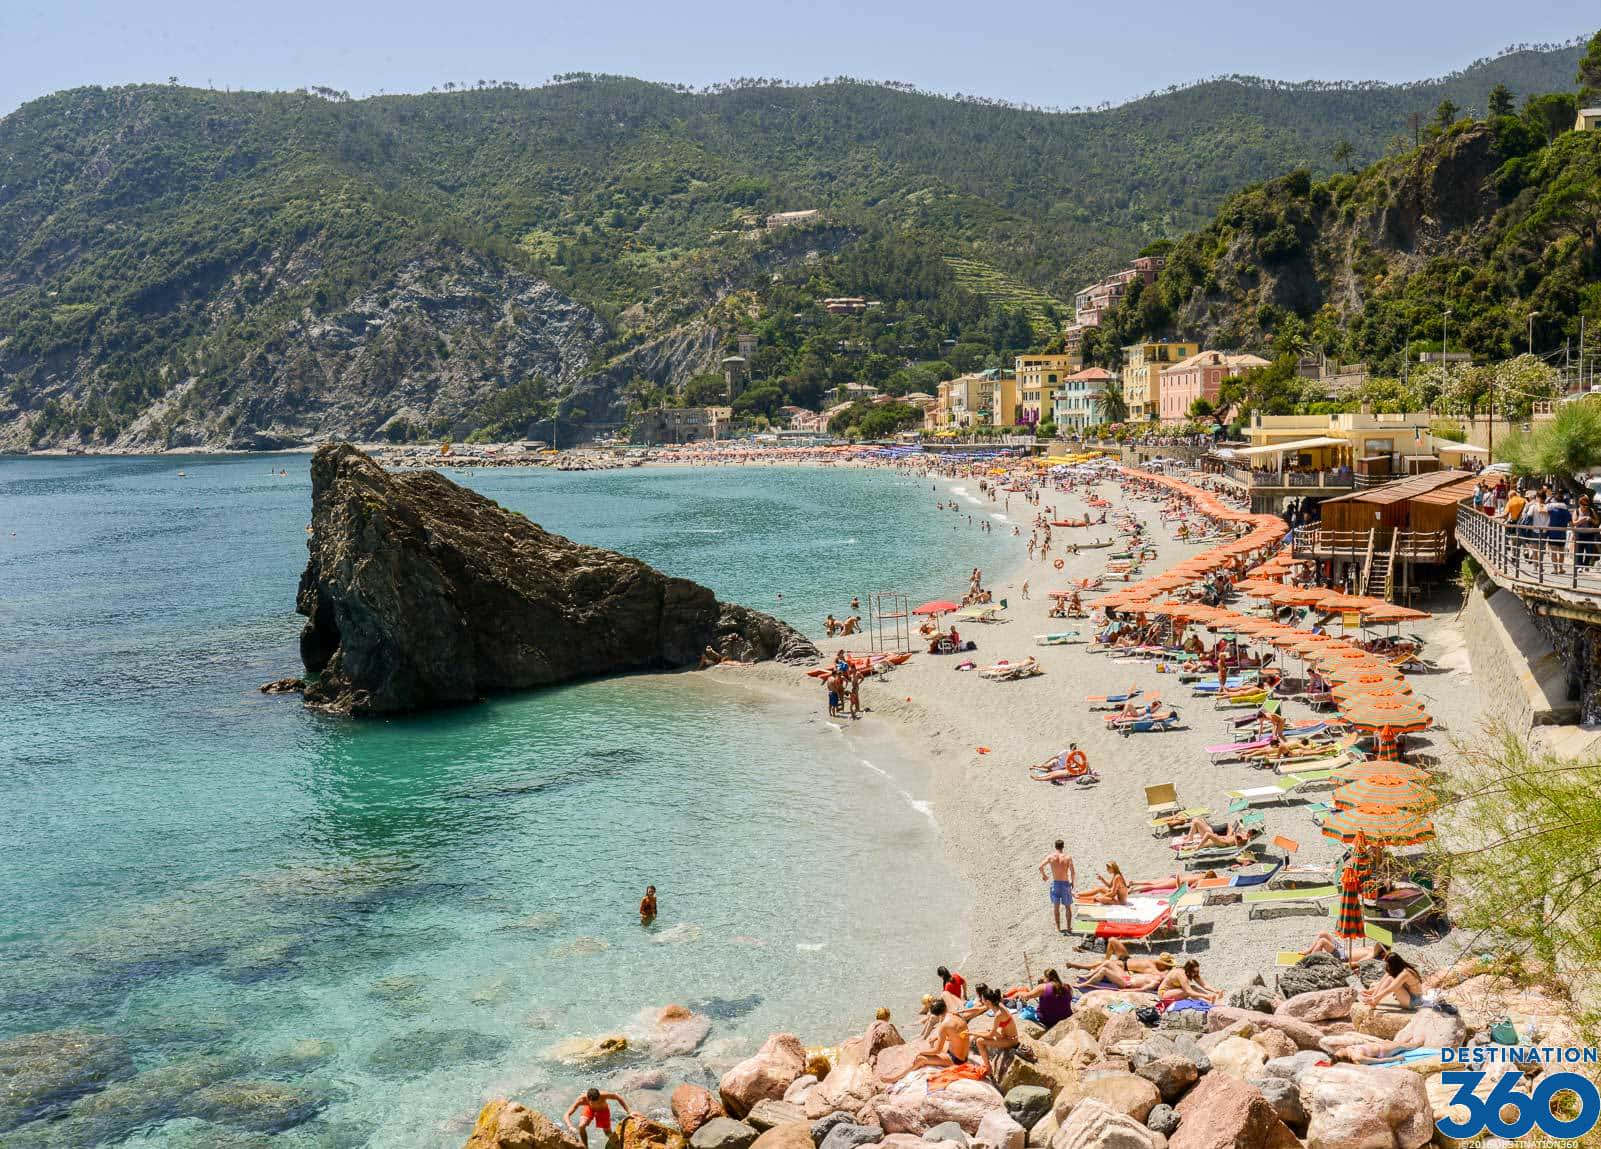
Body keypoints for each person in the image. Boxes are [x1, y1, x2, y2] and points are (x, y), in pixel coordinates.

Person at [964, 986, 1018, 1077]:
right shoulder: (997, 1004)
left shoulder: (998, 1015)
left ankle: (988, 1069)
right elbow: (978, 1009)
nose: (981, 1001)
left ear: (988, 1002)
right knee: (981, 1033)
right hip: (1005, 1035)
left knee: (979, 1041)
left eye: (982, 1000)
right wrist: (962, 1010)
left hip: (1011, 1040)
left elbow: (990, 1035)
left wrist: (971, 1033)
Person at [908, 999, 971, 1071]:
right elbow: (957, 1036)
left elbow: (937, 1050)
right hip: (965, 1056)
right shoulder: (957, 1016)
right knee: (934, 1041)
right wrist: (936, 1038)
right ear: (945, 1007)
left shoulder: (944, 1025)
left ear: (936, 1015)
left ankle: (896, 1078)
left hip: (956, 1060)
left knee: (920, 1058)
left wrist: (920, 1052)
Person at [1005, 969, 1072, 1028]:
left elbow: (1028, 996)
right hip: (1067, 1016)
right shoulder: (1067, 986)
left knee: (1024, 1013)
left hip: (1048, 1020)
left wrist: (1018, 993)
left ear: (1047, 978)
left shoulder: (1043, 987)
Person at [565, 1088, 630, 1147]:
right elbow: (567, 1114)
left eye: (598, 1102)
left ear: (599, 1097)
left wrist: (629, 1111)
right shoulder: (581, 1100)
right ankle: (585, 1147)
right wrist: (570, 1126)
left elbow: (617, 1097)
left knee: (607, 1133)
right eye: (593, 1103)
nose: (595, 1104)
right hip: (589, 1109)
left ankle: (617, 1144)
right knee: (581, 1126)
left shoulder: (604, 1095)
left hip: (602, 1110)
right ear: (588, 1099)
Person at [1039, 840, 1077, 931]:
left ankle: (1058, 927)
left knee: (1056, 907)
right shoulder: (1068, 857)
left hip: (1055, 883)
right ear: (1063, 846)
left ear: (1055, 847)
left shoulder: (1050, 857)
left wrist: (1044, 875)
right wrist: (1072, 882)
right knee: (1067, 906)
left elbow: (1040, 867)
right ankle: (1068, 927)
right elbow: (1073, 872)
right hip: (1065, 883)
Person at [1301, 931, 1386, 965]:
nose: (1377, 943)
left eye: (1379, 944)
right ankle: (1309, 951)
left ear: (1381, 950)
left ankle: (1310, 961)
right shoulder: (1372, 948)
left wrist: (1342, 965)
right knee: (1323, 934)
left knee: (1322, 941)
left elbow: (1358, 963)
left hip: (1342, 957)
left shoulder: (1372, 954)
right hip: (1342, 950)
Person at [1157, 959, 1221, 1003]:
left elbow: (1204, 985)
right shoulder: (1181, 974)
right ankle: (1207, 1001)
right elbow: (1189, 991)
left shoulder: (1190, 973)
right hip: (1164, 993)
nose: (1195, 973)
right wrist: (1205, 996)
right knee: (1189, 991)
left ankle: (1212, 1000)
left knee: (1194, 987)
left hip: (1175, 991)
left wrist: (1216, 991)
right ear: (1188, 969)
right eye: (1194, 971)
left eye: (1197, 971)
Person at [1175, 817, 1254, 851]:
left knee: (1208, 837)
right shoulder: (1241, 835)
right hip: (1222, 839)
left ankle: (1196, 847)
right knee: (1208, 842)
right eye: (1249, 830)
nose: (1248, 831)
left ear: (1251, 835)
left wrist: (1234, 835)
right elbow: (1233, 837)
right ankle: (1190, 847)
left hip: (1224, 842)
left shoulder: (1244, 839)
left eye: (1250, 832)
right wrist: (1225, 836)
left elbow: (1238, 845)